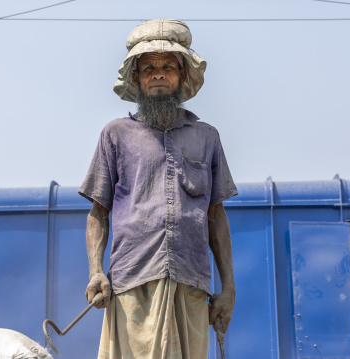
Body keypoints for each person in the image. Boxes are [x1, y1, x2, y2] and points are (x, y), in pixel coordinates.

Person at [78, 18, 238, 358]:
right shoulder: (115, 134)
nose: (158, 73)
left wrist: (229, 289)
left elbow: (216, 216)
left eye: (168, 66)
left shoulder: (206, 137)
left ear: (182, 75)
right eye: (148, 67)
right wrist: (95, 272)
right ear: (135, 78)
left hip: (190, 283)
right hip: (131, 284)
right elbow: (98, 213)